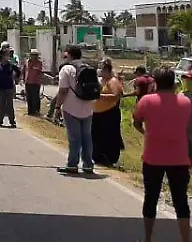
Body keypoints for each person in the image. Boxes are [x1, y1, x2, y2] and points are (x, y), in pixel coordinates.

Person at [132, 67, 191, 242]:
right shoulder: (185, 102)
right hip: (179, 157)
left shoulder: (146, 101)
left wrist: (146, 133)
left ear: (155, 83)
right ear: (174, 83)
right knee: (181, 200)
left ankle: (148, 239)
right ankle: (186, 241)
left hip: (153, 157)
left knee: (151, 198)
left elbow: (136, 121)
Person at [55, 46, 100, 175]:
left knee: (74, 138)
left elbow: (63, 91)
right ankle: (88, 165)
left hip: (71, 109)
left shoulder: (66, 69)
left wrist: (57, 107)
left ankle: (72, 165)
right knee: (87, 137)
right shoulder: (88, 67)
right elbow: (98, 87)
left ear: (69, 55)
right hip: (88, 108)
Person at [91, 58, 125, 167]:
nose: (100, 71)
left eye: (102, 69)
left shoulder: (113, 81)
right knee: (96, 136)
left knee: (109, 136)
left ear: (107, 70)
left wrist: (100, 96)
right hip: (97, 114)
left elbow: (116, 96)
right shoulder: (101, 80)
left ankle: (110, 158)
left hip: (109, 113)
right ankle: (97, 156)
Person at [0, 47, 22, 128]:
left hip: (9, 87)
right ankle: (0, 120)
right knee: (2, 104)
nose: (8, 56)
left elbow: (18, 72)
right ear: (2, 55)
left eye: (8, 55)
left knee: (9, 104)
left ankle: (12, 121)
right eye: (6, 55)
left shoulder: (11, 65)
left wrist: (17, 79)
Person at [22, 49, 45, 117]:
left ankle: (36, 111)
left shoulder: (39, 63)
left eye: (35, 55)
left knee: (35, 97)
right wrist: (22, 79)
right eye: (33, 55)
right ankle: (30, 111)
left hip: (36, 82)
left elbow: (40, 72)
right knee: (29, 97)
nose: (34, 56)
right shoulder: (27, 62)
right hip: (28, 82)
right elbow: (24, 70)